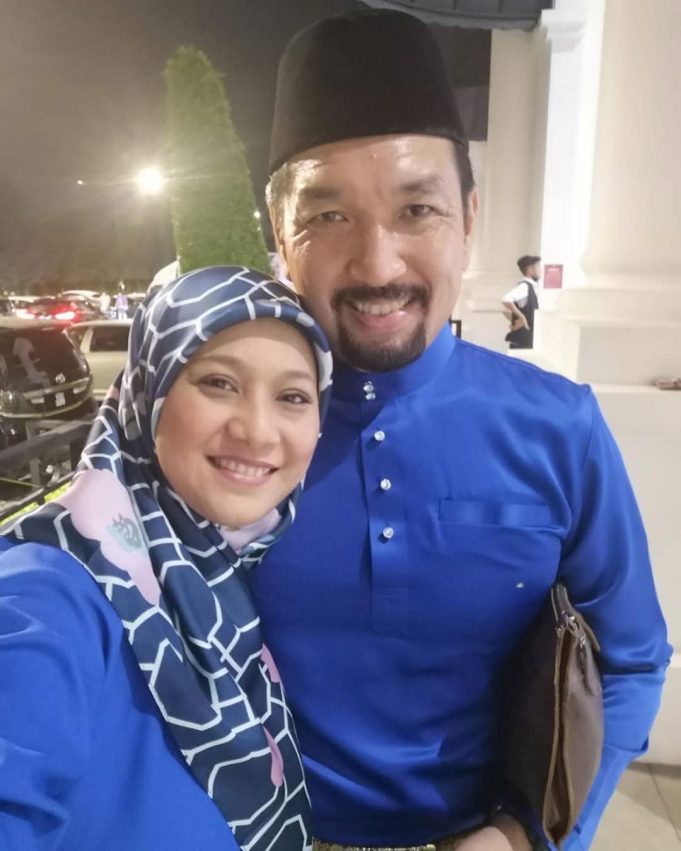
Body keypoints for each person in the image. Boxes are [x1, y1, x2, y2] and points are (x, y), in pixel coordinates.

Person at [249, 10, 671, 851]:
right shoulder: (228, 438)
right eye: (327, 217)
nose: (377, 264)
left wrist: (530, 836)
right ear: (277, 231)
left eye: (418, 209)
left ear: (469, 217)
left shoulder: (557, 426)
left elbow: (629, 660)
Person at [0, 265, 332, 850]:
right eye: (219, 383)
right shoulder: (45, 597)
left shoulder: (220, 575)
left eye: (292, 397)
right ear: (148, 392)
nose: (258, 431)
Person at [502, 256, 541, 349]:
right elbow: (506, 299)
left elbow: (505, 310)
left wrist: (515, 320)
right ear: (530, 270)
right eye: (538, 267)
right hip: (523, 343)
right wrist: (521, 317)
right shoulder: (525, 287)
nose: (541, 270)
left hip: (525, 340)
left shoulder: (531, 288)